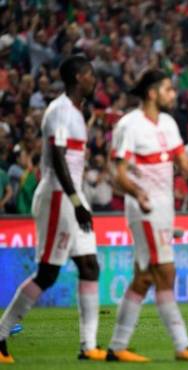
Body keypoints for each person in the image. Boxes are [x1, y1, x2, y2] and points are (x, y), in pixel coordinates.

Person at [107, 69, 188, 363]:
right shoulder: (129, 125)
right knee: (165, 272)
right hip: (145, 211)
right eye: (168, 89)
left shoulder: (168, 123)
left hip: (165, 212)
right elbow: (117, 174)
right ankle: (182, 344)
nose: (173, 94)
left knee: (143, 279)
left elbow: (185, 164)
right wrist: (137, 193)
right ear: (152, 93)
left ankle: (117, 347)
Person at [0, 56, 106, 364]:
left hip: (72, 196)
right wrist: (75, 201)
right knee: (47, 273)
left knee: (90, 267)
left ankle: (88, 346)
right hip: (59, 197)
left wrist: (80, 200)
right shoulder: (60, 110)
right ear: (77, 77)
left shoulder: (75, 111)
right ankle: (2, 333)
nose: (94, 79)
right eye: (89, 74)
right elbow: (58, 158)